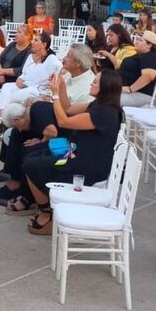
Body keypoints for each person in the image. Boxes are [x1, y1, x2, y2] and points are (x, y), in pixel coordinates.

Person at [23, 70, 125, 232]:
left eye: (95, 82)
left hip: (84, 164)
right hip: (77, 150)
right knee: (33, 151)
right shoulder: (99, 105)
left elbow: (63, 121)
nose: (91, 83)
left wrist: (55, 95)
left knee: (32, 164)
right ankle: (41, 199)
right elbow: (68, 108)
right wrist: (61, 88)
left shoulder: (104, 113)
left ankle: (46, 213)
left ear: (105, 87)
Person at [0, 31, 63, 110]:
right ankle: (2, 113)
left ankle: (5, 115)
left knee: (13, 95)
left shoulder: (51, 59)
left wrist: (50, 91)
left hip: (37, 90)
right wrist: (20, 78)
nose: (32, 42)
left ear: (44, 45)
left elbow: (61, 70)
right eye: (33, 40)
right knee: (6, 86)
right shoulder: (30, 57)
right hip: (25, 85)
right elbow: (24, 73)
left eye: (36, 40)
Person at [118, 30, 156, 107]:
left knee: (106, 100)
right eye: (137, 39)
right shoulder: (140, 55)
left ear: (149, 45)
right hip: (127, 91)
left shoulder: (151, 57)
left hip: (139, 94)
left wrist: (130, 89)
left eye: (140, 40)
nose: (136, 42)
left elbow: (149, 76)